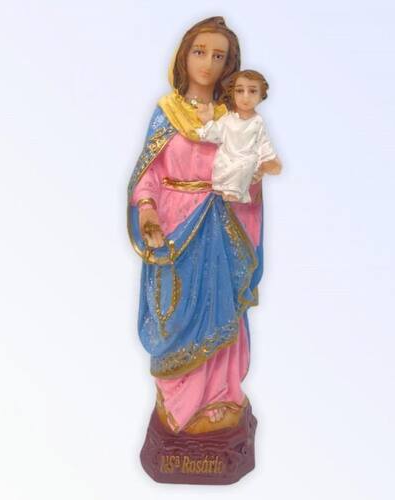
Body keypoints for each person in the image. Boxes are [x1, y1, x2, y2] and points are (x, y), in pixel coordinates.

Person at [127, 17, 278, 434]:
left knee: (221, 309)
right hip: (174, 227)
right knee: (173, 313)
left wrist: (253, 177)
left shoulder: (235, 118)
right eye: (199, 52)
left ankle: (219, 398)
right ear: (183, 57)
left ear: (230, 64)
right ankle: (177, 400)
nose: (208, 63)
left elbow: (248, 173)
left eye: (219, 55)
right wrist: (147, 211)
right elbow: (148, 174)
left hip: (221, 225)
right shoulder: (166, 113)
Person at [196, 70, 282, 203]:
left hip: (245, 165)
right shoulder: (228, 118)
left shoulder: (257, 121)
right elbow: (215, 134)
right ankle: (225, 187)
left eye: (252, 91)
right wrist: (207, 120)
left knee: (249, 161)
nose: (245, 97)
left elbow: (263, 142)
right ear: (233, 93)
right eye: (240, 91)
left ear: (261, 96)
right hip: (226, 161)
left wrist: (267, 161)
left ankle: (235, 191)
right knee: (236, 163)